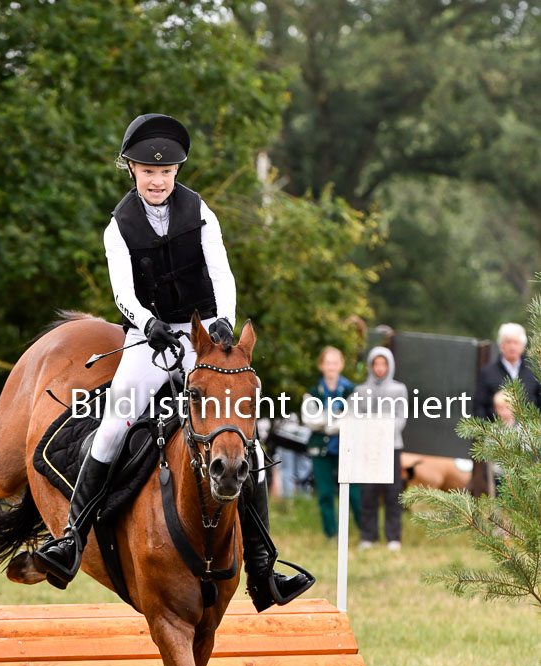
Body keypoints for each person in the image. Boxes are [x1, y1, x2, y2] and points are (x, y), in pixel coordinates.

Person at [34, 113, 314, 610]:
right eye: (148, 172)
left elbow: (221, 271)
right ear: (132, 171)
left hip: (205, 338)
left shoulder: (201, 212)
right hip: (149, 338)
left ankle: (263, 567)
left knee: (238, 435)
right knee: (115, 425)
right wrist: (147, 325)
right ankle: (71, 540)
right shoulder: (117, 226)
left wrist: (222, 322)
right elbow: (122, 293)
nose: (158, 180)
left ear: (176, 173)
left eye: (166, 173)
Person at [301, 346, 360, 538]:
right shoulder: (313, 392)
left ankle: (363, 530)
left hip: (347, 448)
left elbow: (352, 418)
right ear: (321, 365)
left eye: (335, 362)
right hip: (320, 448)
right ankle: (331, 533)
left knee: (353, 491)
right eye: (328, 363)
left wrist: (326, 421)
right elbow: (310, 420)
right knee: (325, 492)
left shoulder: (351, 390)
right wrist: (335, 418)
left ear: (341, 365)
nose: (331, 366)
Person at [354, 346, 407, 551]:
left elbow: (401, 417)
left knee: (393, 492)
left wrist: (384, 433)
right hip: (368, 448)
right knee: (368, 492)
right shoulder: (360, 390)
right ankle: (368, 536)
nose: (379, 368)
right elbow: (355, 415)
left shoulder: (399, 389)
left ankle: (393, 536)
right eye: (376, 364)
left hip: (391, 446)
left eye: (383, 364)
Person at [474, 322, 541, 420]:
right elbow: (479, 406)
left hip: (529, 431)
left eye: (516, 342)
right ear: (501, 345)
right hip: (497, 432)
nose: (512, 347)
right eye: (508, 342)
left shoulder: (534, 370)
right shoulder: (487, 372)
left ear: (523, 346)